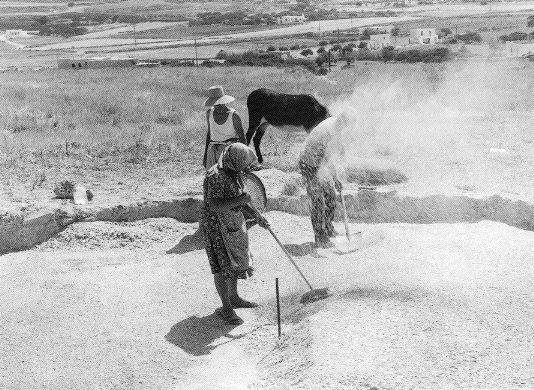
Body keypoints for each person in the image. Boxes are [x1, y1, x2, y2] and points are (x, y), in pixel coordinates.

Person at [200, 143, 269, 325]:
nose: (246, 167)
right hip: (215, 226)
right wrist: (240, 199)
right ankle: (226, 308)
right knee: (222, 266)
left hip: (232, 223)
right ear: (235, 160)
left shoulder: (235, 171)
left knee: (233, 262)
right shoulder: (215, 176)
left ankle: (234, 298)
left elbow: (244, 200)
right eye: (244, 163)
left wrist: (257, 216)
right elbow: (214, 205)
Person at [298, 116, 345, 248]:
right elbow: (326, 158)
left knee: (330, 195)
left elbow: (327, 159)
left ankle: (329, 229)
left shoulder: (335, 126)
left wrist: (335, 180)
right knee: (318, 203)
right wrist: (335, 179)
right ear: (344, 121)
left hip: (318, 164)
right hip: (308, 164)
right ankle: (320, 238)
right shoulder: (329, 131)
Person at [203, 86, 247, 169]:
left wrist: (244, 156)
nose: (218, 107)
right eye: (216, 104)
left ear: (224, 101)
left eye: (220, 103)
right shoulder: (209, 113)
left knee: (229, 177)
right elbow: (209, 134)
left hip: (229, 150)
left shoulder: (234, 115)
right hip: (213, 150)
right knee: (212, 178)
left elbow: (242, 137)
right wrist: (205, 154)